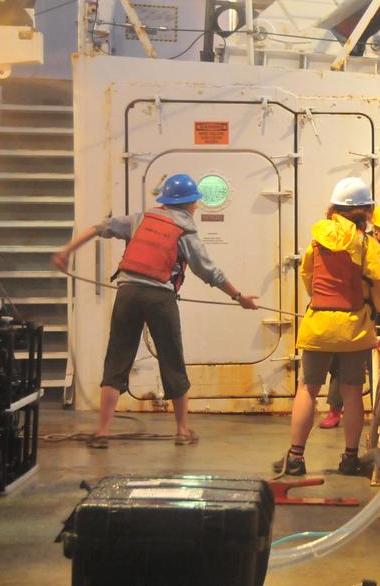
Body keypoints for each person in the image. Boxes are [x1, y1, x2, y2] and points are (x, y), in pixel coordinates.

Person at [52, 174, 258, 448]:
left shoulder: (140, 219)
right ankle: (183, 431)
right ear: (187, 203)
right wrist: (239, 296)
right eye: (195, 201)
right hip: (160, 298)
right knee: (172, 359)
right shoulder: (186, 231)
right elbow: (209, 272)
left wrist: (66, 251)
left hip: (127, 294)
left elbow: (98, 227)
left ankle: (102, 432)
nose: (196, 206)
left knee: (117, 359)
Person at [276, 177, 380, 476]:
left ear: (334, 209)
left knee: (307, 389)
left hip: (318, 326)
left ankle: (295, 458)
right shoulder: (367, 245)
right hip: (354, 329)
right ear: (367, 211)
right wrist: (379, 309)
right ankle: (350, 458)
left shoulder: (317, 242)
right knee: (352, 392)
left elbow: (308, 278)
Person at [319, 200, 380, 429]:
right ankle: (334, 409)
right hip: (359, 312)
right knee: (342, 362)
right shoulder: (362, 245)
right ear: (376, 227)